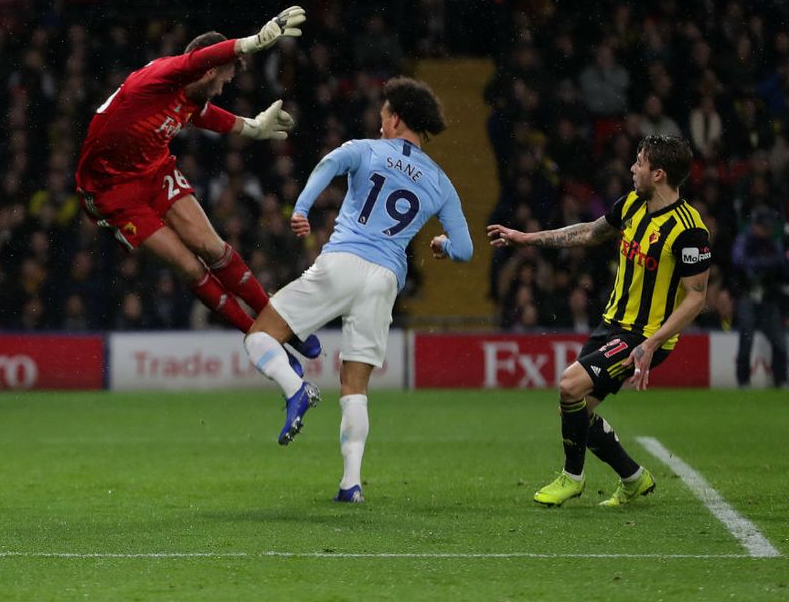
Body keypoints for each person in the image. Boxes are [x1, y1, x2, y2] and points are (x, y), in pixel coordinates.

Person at [241, 77, 473, 504]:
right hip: (385, 279)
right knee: (355, 384)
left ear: (396, 118)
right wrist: (441, 246)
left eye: (383, 115)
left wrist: (302, 208)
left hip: (344, 261)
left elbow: (328, 164)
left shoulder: (366, 149)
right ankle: (351, 484)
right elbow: (465, 248)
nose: (379, 122)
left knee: (258, 337)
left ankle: (296, 390)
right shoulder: (441, 182)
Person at [74, 6, 321, 360]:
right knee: (190, 266)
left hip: (153, 172)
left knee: (214, 249)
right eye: (223, 80)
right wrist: (252, 42)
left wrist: (251, 127)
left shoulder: (189, 97)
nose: (222, 89)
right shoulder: (161, 75)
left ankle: (281, 325)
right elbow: (195, 63)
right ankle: (260, 337)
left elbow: (202, 114)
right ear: (208, 69)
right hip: (111, 192)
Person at [488, 135, 712, 507]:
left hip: (644, 335)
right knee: (574, 409)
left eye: (638, 162)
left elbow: (697, 296)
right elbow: (590, 232)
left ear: (658, 174)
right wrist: (527, 239)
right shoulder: (631, 205)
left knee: (569, 385)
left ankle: (572, 478)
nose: (631, 168)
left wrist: (652, 342)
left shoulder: (689, 230)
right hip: (613, 324)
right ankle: (633, 477)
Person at [730, 206, 789, 388]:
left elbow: (783, 268)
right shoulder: (745, 240)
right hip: (748, 294)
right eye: (765, 227)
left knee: (779, 339)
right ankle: (743, 381)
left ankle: (780, 380)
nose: (768, 230)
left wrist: (760, 267)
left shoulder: (774, 244)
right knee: (746, 339)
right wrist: (764, 266)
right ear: (755, 225)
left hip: (767, 297)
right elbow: (738, 261)